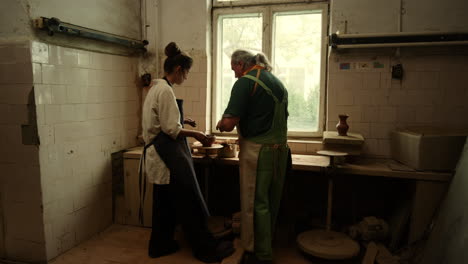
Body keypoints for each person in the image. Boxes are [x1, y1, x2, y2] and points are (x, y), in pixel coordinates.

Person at [140, 42, 234, 263]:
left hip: (159, 154)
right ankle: (205, 249)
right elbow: (171, 129)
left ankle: (160, 245)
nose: (187, 77)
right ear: (179, 69)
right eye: (188, 72)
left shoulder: (157, 87)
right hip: (165, 156)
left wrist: (184, 120)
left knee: (164, 204)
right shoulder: (165, 91)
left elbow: (165, 120)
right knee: (189, 202)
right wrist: (197, 134)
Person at [216, 50, 291, 264]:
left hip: (258, 152)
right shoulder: (277, 82)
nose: (235, 75)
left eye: (234, 69)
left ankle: (258, 253)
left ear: (241, 64)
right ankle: (267, 245)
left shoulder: (245, 82)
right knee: (271, 201)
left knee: (254, 203)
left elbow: (229, 124)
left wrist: (220, 124)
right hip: (280, 151)